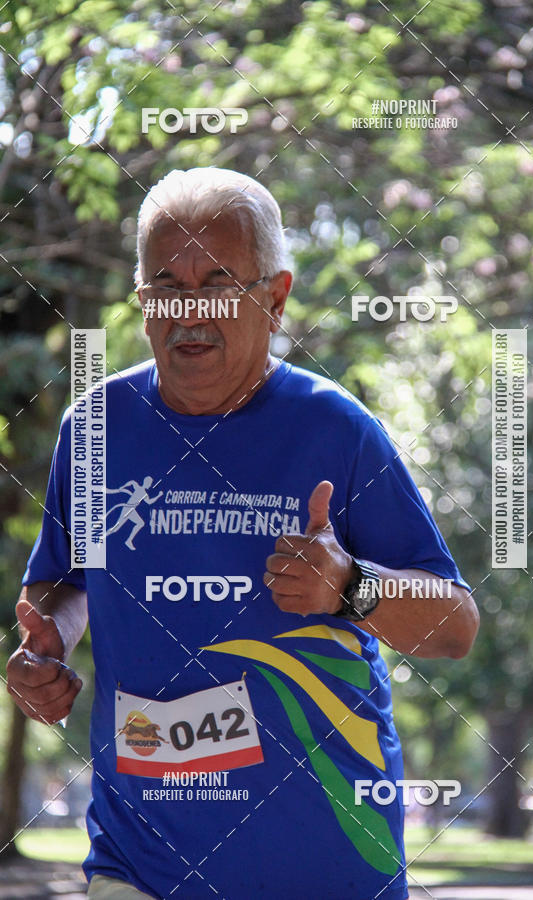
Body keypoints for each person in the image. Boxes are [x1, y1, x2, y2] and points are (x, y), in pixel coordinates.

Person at [6, 167, 479, 899]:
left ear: (277, 298)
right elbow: (69, 582)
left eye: (220, 283)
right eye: (167, 285)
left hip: (324, 865)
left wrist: (352, 587)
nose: (191, 312)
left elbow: (455, 625)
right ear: (142, 302)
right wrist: (49, 646)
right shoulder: (95, 430)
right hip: (141, 863)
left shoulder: (339, 430)